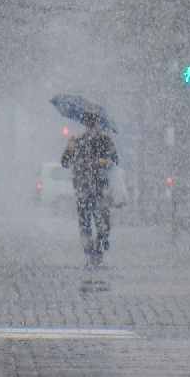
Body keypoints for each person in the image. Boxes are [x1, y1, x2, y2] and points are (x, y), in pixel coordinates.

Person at [61, 111, 118, 266]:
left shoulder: (104, 141)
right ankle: (89, 252)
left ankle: (99, 246)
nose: (90, 124)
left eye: (92, 121)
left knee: (102, 223)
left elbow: (114, 160)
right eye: (88, 121)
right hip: (83, 189)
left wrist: (102, 161)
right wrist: (70, 146)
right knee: (85, 223)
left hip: (99, 188)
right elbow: (65, 161)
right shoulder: (79, 141)